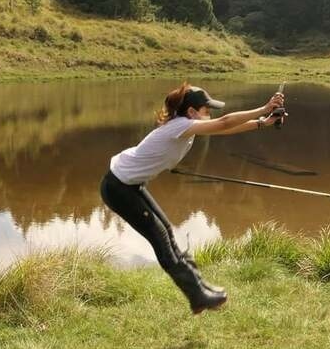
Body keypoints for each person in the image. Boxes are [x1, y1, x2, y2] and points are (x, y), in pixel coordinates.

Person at [100, 82, 286, 314]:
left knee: (166, 230)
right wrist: (264, 108)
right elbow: (224, 122)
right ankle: (197, 296)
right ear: (191, 112)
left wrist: (263, 123)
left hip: (128, 184)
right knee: (161, 239)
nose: (210, 113)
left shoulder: (186, 125)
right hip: (118, 188)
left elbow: (223, 128)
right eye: (206, 109)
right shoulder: (180, 126)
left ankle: (200, 288)